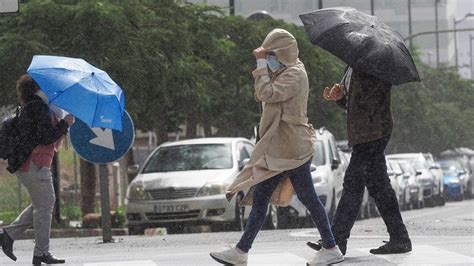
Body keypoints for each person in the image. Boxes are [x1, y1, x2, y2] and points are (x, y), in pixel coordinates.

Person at [209, 29, 344, 265]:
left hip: (290, 149)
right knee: (263, 197)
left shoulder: (294, 74)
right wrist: (265, 66)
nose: (268, 58)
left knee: (307, 197)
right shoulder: (285, 71)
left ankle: (331, 246)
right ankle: (241, 251)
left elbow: (264, 93)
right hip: (280, 148)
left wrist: (261, 64)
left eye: (271, 53)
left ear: (282, 53)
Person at [307, 67, 412, 255]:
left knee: (353, 184)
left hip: (373, 133)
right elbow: (353, 104)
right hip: (363, 134)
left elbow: (372, 100)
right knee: (379, 186)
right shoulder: (354, 66)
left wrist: (351, 95)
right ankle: (399, 238)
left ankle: (336, 240)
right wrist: (341, 98)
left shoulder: (374, 67)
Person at [0, 74, 74, 265]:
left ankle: (8, 235)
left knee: (43, 204)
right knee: (45, 204)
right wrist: (65, 123)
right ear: (39, 88)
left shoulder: (37, 106)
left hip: (34, 163)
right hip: (34, 163)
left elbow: (44, 134)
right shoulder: (37, 107)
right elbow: (46, 137)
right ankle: (40, 252)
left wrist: (62, 123)